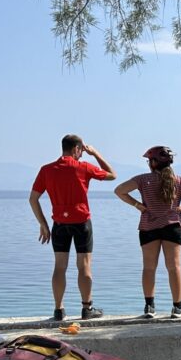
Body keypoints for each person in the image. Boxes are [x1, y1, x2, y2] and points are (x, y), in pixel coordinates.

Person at [29, 134, 116, 321]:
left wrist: (43, 224)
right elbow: (112, 175)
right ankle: (87, 309)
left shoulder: (46, 170)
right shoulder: (83, 167)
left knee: (59, 267)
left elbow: (33, 199)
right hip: (81, 223)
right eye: (81, 151)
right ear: (77, 149)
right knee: (84, 266)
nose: (82, 155)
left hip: (59, 224)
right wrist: (95, 153)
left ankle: (59, 310)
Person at [113, 146, 181, 319]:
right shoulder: (178, 180)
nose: (149, 163)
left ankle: (149, 308)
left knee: (149, 267)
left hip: (148, 226)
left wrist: (137, 205)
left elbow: (119, 191)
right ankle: (178, 308)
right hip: (173, 226)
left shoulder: (142, 180)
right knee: (174, 267)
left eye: (149, 161)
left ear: (154, 163)